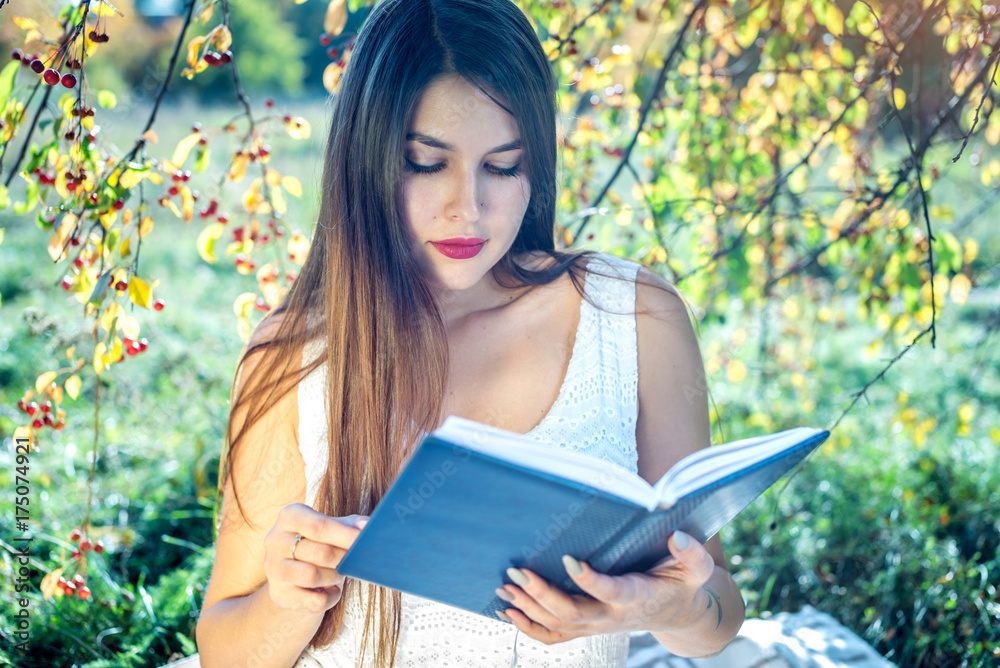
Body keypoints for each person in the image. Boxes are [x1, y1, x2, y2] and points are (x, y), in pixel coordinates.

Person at [195, 0, 745, 666]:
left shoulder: (634, 319)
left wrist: (668, 605)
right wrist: (289, 597)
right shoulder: (296, 356)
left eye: (503, 166)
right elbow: (224, 651)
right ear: (365, 162)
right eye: (427, 164)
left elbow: (715, 615)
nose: (469, 208)